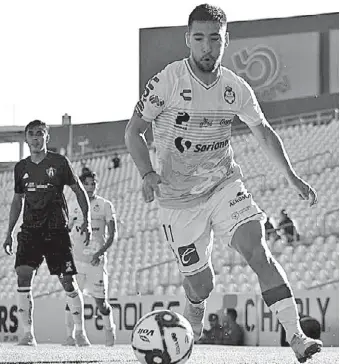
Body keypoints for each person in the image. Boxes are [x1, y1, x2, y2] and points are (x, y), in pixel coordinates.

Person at [124, 4, 322, 362]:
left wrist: (291, 176)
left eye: (214, 39)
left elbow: (263, 131)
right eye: (198, 38)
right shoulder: (168, 80)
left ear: (225, 41)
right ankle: (195, 306)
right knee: (202, 284)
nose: (206, 47)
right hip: (178, 201)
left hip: (224, 185)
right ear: (188, 40)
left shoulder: (235, 87)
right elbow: (133, 132)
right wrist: (147, 174)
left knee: (257, 250)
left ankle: (297, 336)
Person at [3, 120, 92, 347]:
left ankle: (80, 332)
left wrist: (87, 220)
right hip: (30, 230)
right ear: (26, 139)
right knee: (23, 275)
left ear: (46, 138)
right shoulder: (20, 168)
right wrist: (9, 232)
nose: (35, 138)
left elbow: (78, 190)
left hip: (56, 230)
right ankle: (27, 334)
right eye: (31, 134)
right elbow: (17, 200)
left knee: (67, 281)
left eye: (39, 134)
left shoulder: (60, 163)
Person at [64, 170, 118, 346]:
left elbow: (112, 234)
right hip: (77, 261)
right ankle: (70, 336)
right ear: (80, 185)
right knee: (71, 298)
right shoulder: (73, 206)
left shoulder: (105, 205)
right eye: (86, 184)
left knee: (101, 304)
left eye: (93, 183)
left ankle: (109, 330)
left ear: (97, 185)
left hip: (96, 261)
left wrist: (100, 252)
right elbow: (66, 230)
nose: (89, 187)